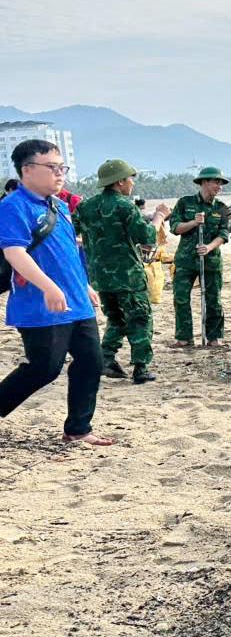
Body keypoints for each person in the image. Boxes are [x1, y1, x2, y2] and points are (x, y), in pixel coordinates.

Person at [0, 140, 113, 445]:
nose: (60, 173)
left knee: (91, 362)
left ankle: (78, 429)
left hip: (76, 303)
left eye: (62, 167)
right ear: (27, 170)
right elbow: (14, 252)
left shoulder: (60, 206)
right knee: (44, 369)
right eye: (52, 167)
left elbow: (68, 254)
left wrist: (85, 286)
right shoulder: (12, 207)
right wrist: (49, 287)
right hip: (40, 306)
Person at [74, 159, 170, 385]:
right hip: (127, 276)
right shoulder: (125, 206)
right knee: (139, 319)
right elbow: (146, 237)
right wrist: (159, 217)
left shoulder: (86, 207)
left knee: (116, 318)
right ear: (119, 182)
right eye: (130, 179)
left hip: (100, 276)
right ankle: (141, 367)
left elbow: (74, 233)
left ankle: (106, 358)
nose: (132, 184)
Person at [168, 167, 229, 346]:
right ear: (204, 182)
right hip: (186, 260)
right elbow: (175, 227)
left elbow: (224, 234)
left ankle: (213, 337)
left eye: (221, 183)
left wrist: (209, 247)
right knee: (180, 298)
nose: (219, 187)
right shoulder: (184, 203)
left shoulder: (221, 208)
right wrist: (194, 222)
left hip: (211, 261)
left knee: (213, 300)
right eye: (216, 182)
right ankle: (184, 337)